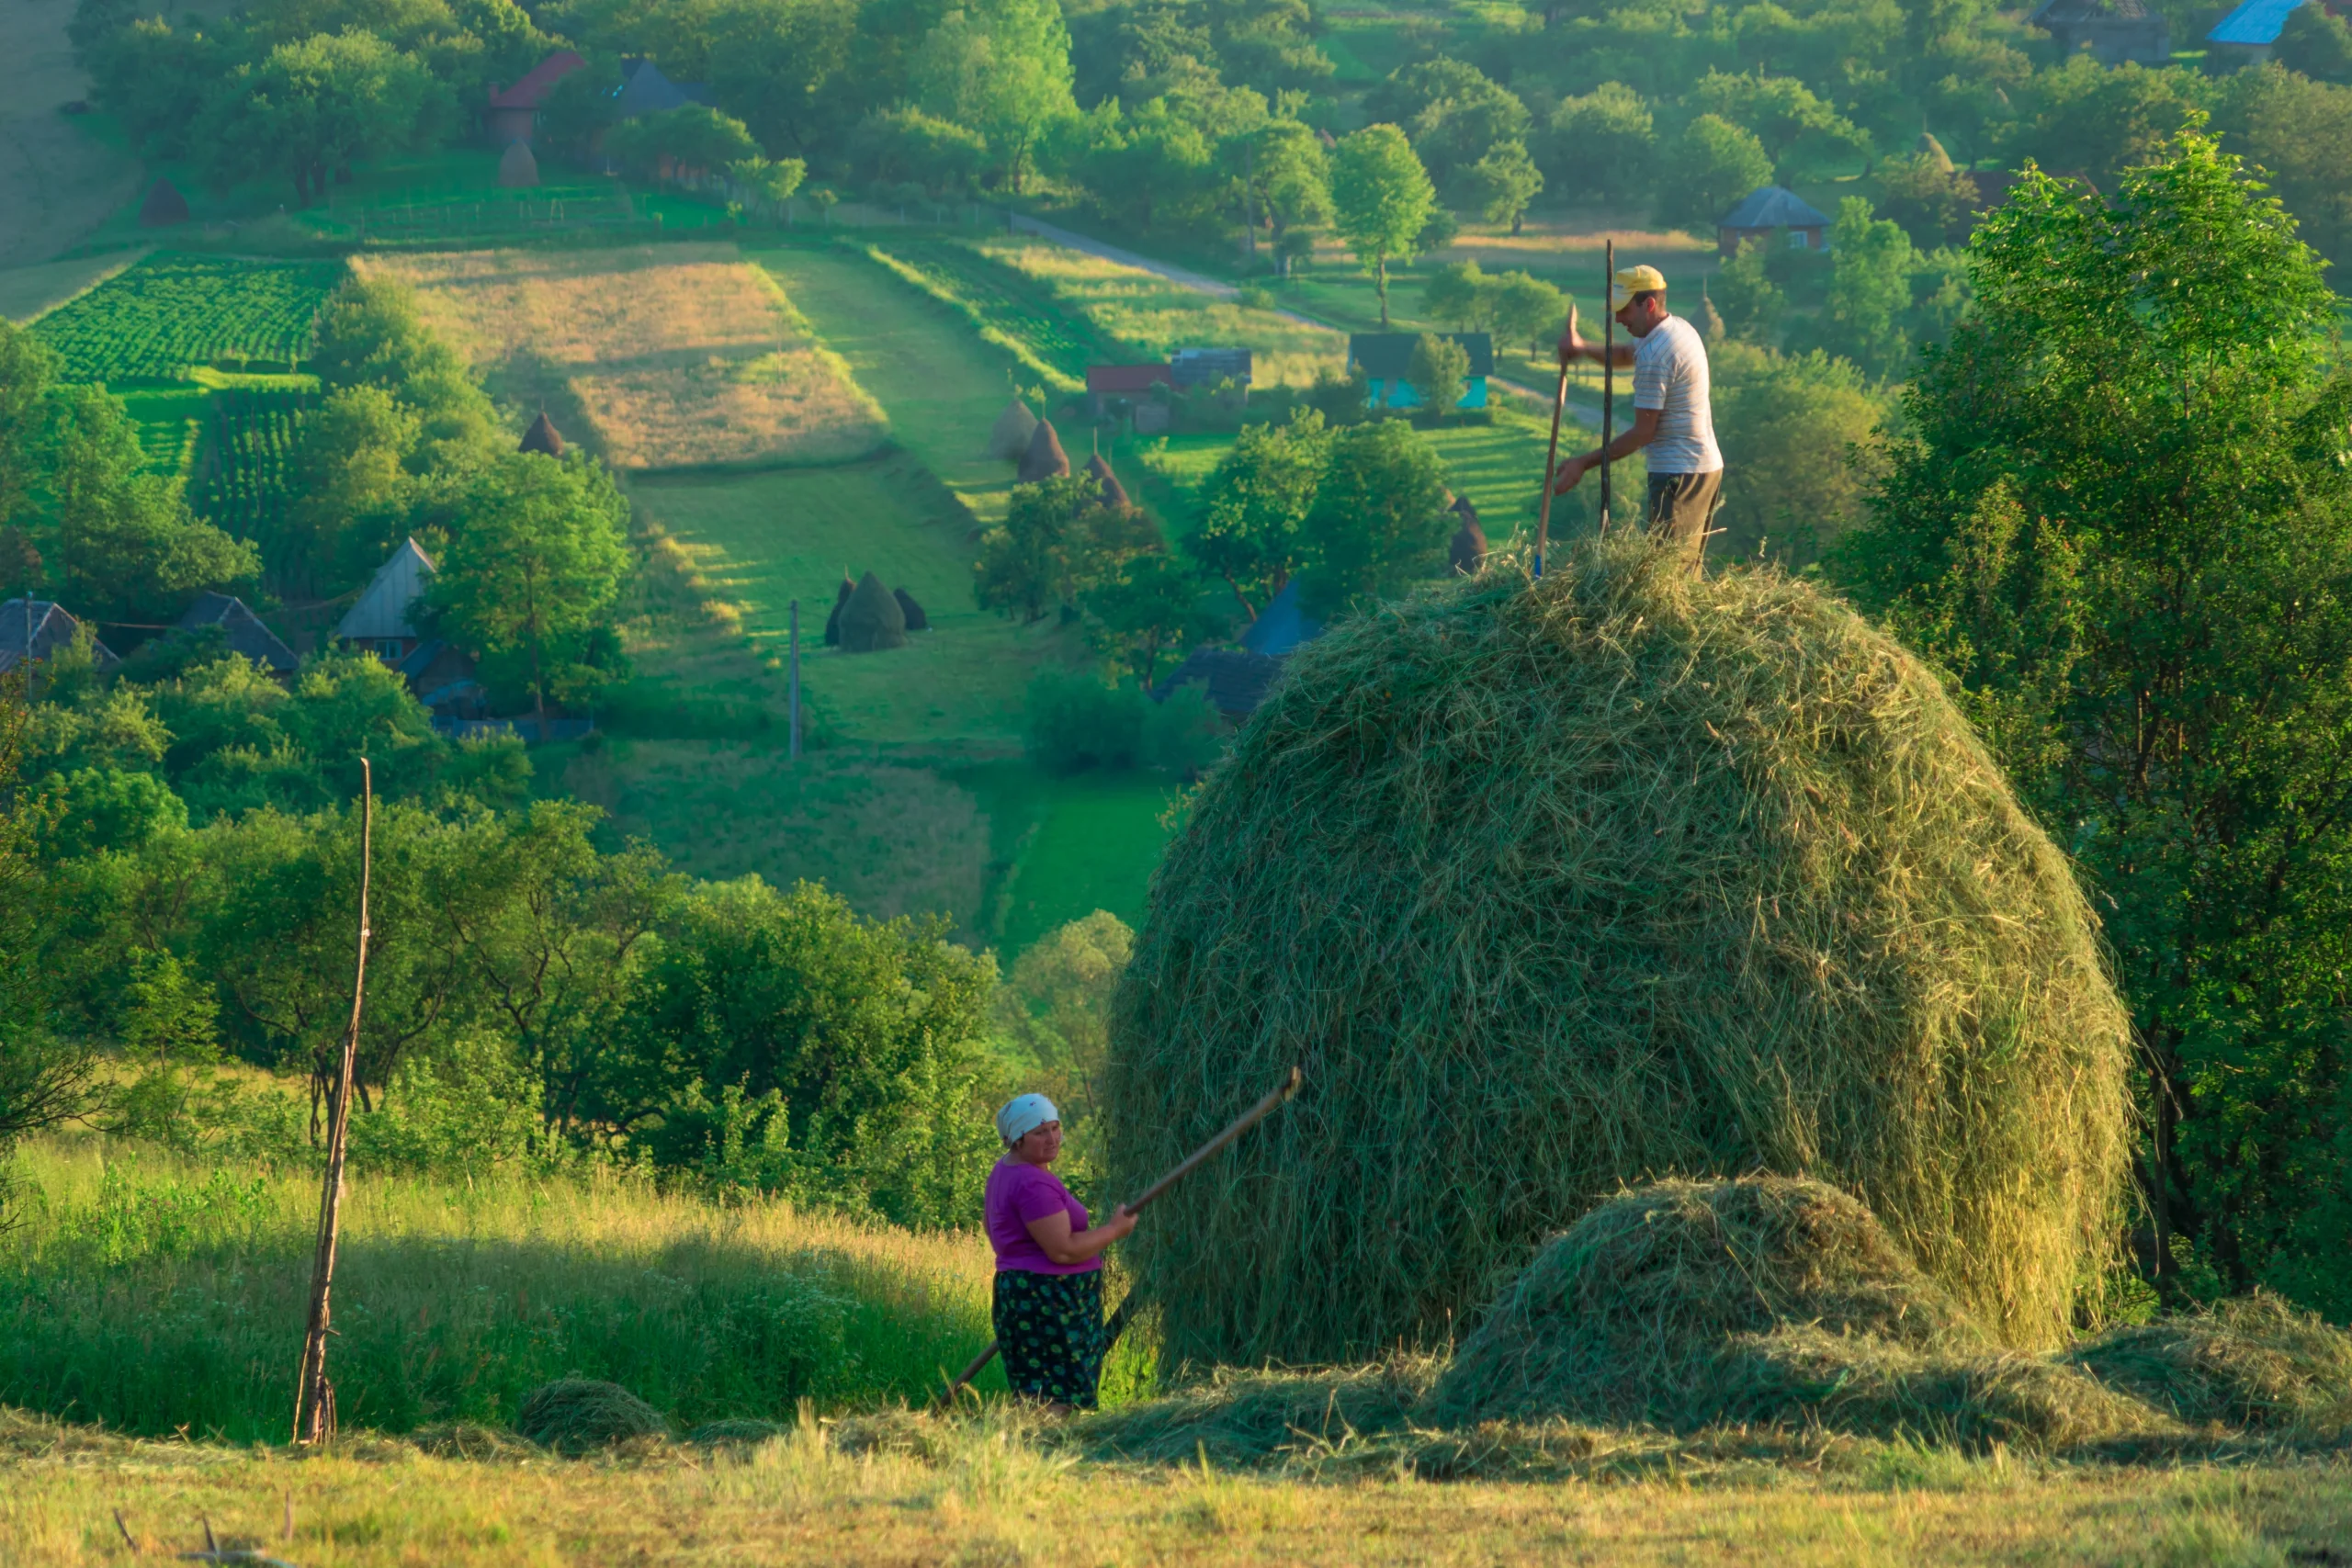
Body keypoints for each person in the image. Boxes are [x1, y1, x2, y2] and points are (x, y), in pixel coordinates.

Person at [1550, 263, 1724, 570]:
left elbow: (1643, 433)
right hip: (1698, 468)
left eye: (1624, 311)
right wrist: (1582, 348)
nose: (1618, 320)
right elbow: (1624, 354)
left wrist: (1582, 463)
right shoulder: (1674, 328)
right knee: (1679, 574)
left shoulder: (1657, 356)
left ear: (1650, 304)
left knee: (1666, 578)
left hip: (1679, 476)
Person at [984, 1093, 1136, 1413]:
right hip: (1050, 1301)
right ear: (1017, 1140)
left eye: (1055, 1128)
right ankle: (1045, 1455)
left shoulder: (1006, 1170)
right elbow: (1063, 1251)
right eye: (1040, 1133)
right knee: (1057, 1397)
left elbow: (991, 1225)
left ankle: (1029, 1453)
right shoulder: (1032, 1183)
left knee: (1036, 1391)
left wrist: (1018, 1256)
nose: (1052, 1139)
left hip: (1029, 1294)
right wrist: (1114, 1230)